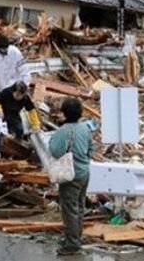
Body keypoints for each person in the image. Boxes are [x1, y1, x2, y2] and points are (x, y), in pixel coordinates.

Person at [49, 98, 94, 256]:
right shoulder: (85, 128)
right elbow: (91, 149)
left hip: (70, 174)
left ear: (65, 112)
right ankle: (76, 236)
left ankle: (72, 244)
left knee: (69, 209)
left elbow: (55, 151)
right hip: (84, 172)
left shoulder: (63, 131)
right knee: (80, 206)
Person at [0, 81, 41, 161]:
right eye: (17, 95)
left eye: (21, 96)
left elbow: (31, 110)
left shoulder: (25, 98)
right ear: (13, 91)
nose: (19, 97)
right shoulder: (6, 92)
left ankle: (18, 147)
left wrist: (35, 124)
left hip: (14, 115)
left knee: (20, 129)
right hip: (2, 114)